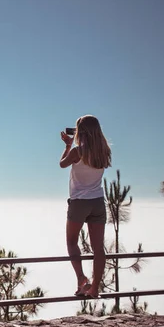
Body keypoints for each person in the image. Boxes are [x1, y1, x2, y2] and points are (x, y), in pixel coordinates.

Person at [59, 115, 111, 298]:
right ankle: (95, 288)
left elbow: (62, 164)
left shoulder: (77, 152)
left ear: (81, 132)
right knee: (98, 248)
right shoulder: (104, 152)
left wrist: (67, 146)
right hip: (97, 202)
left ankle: (81, 279)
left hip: (79, 202)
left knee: (72, 242)